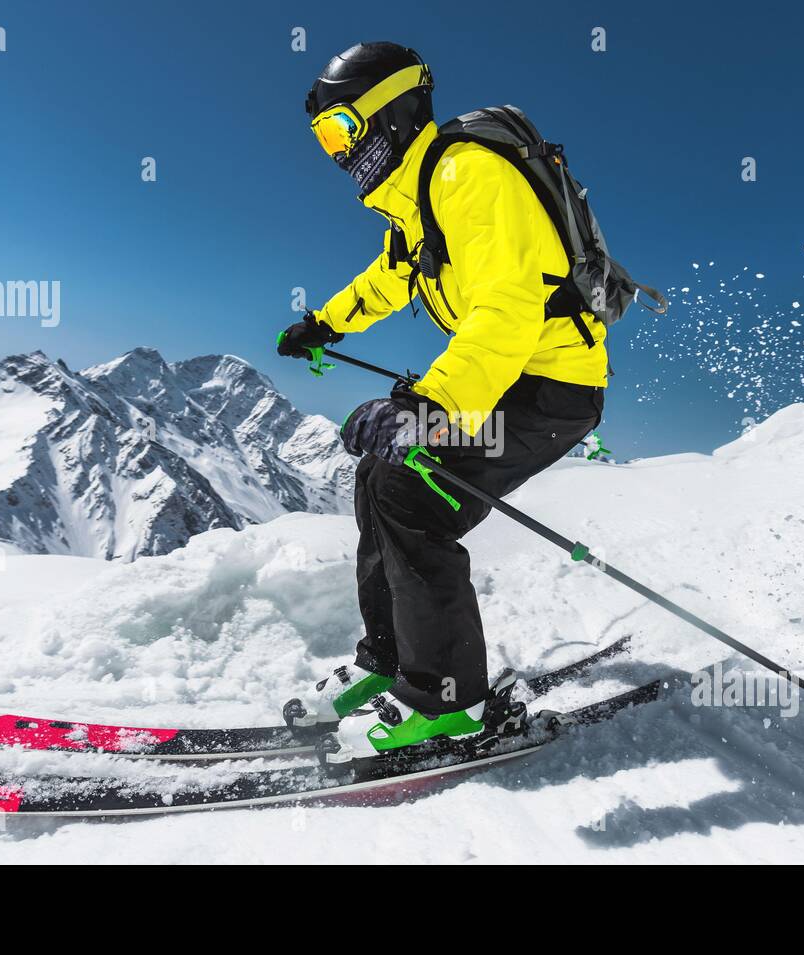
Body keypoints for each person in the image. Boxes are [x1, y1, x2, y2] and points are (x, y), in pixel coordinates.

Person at [277, 41, 606, 758]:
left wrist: (430, 404)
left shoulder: (468, 175)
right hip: (506, 377)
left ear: (387, 114)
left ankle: (445, 699)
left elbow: (507, 308)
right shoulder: (421, 199)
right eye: (324, 140)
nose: (336, 155)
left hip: (550, 387)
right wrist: (325, 323)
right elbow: (389, 279)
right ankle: (391, 658)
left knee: (410, 490)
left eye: (341, 131)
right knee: (378, 477)